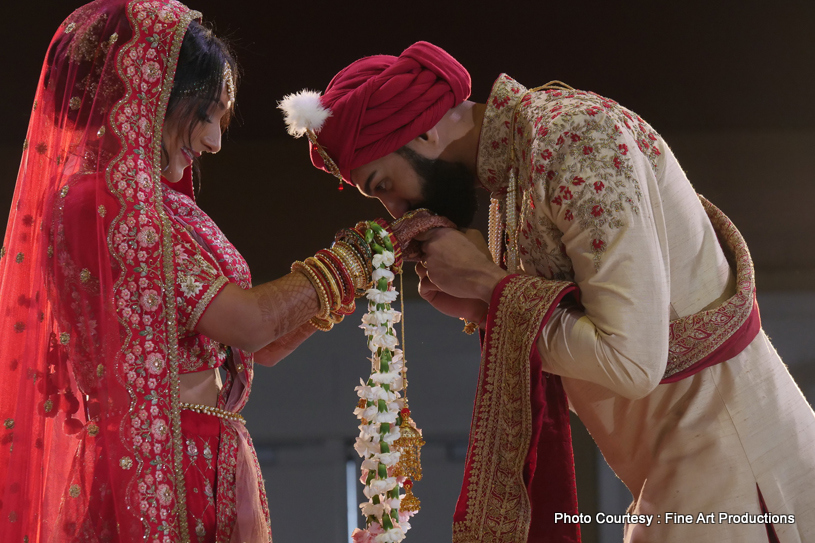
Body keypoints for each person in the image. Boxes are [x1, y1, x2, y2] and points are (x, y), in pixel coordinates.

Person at [282, 41, 815, 542]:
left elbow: (632, 362)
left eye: (383, 185)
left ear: (423, 134)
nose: (395, 211)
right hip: (685, 474)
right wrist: (482, 302)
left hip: (741, 471)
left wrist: (492, 286)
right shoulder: (511, 182)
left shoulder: (573, 139)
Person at [0, 1, 376, 541]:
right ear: (151, 98)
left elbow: (254, 347)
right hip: (153, 468)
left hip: (202, 455)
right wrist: (352, 261)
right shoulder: (98, 203)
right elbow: (248, 324)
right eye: (208, 115)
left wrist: (342, 285)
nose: (215, 141)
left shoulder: (161, 208)